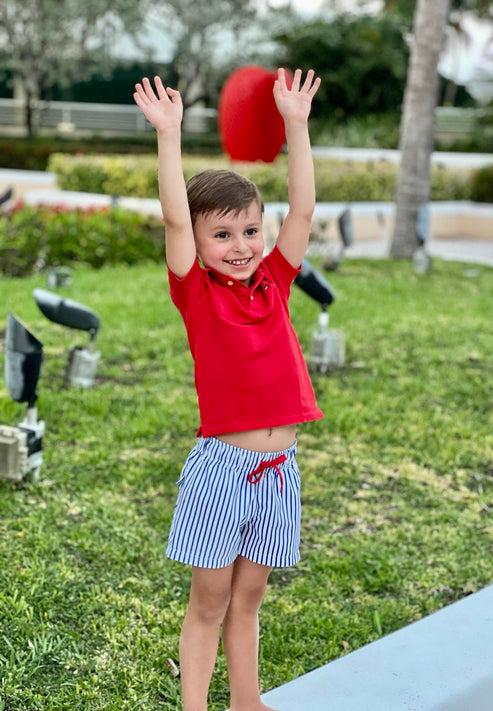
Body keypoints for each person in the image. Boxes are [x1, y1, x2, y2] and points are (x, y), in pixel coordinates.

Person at [134, 67, 322, 711]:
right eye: (223, 234)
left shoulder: (274, 279)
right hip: (222, 471)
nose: (240, 246)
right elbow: (176, 222)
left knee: (250, 598)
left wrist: (294, 124)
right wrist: (169, 137)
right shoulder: (196, 291)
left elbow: (302, 208)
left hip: (279, 469)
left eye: (248, 231)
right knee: (210, 600)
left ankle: (248, 702)